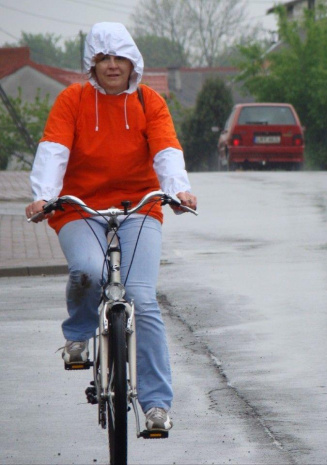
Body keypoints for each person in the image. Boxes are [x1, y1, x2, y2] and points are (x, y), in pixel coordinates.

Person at [25, 22, 197, 432]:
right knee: (88, 271)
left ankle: (156, 405)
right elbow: (54, 149)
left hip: (139, 206)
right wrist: (44, 194)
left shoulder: (148, 101)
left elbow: (167, 150)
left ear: (133, 61)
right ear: (92, 63)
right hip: (79, 207)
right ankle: (79, 334)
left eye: (120, 57)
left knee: (142, 297)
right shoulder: (73, 100)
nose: (113, 65)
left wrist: (179, 191)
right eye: (104, 58)